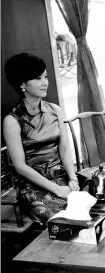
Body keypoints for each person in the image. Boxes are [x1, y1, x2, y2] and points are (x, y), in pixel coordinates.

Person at [3, 52, 80, 225]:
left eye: (45, 77)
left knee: (96, 203)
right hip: (33, 186)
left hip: (61, 177)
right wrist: (57, 189)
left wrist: (72, 178)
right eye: (38, 78)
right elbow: (20, 167)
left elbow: (65, 149)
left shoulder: (55, 110)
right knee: (65, 220)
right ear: (22, 83)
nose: (45, 82)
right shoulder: (12, 121)